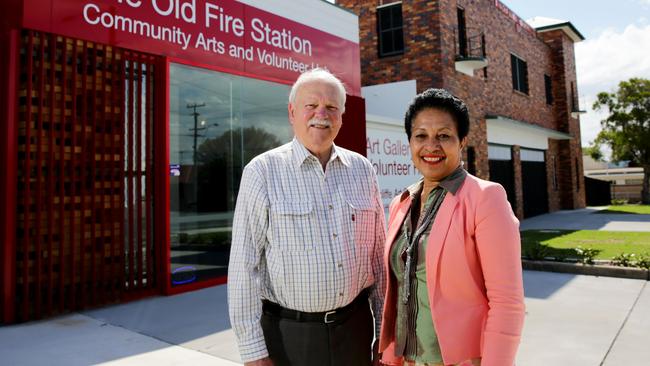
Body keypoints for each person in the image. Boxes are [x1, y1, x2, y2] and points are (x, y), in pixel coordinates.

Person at [228, 68, 386, 366]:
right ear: (292, 112)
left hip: (355, 330)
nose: (321, 115)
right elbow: (243, 266)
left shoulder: (363, 170)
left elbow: (379, 259)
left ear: (341, 115)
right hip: (290, 337)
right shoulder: (262, 172)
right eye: (311, 106)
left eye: (331, 107)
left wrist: (384, 332)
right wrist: (253, 351)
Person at [378, 89, 525, 366]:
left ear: (462, 142)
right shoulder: (402, 202)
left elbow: (507, 303)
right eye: (421, 136)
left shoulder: (485, 198)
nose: (431, 146)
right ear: (410, 142)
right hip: (405, 359)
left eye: (444, 136)